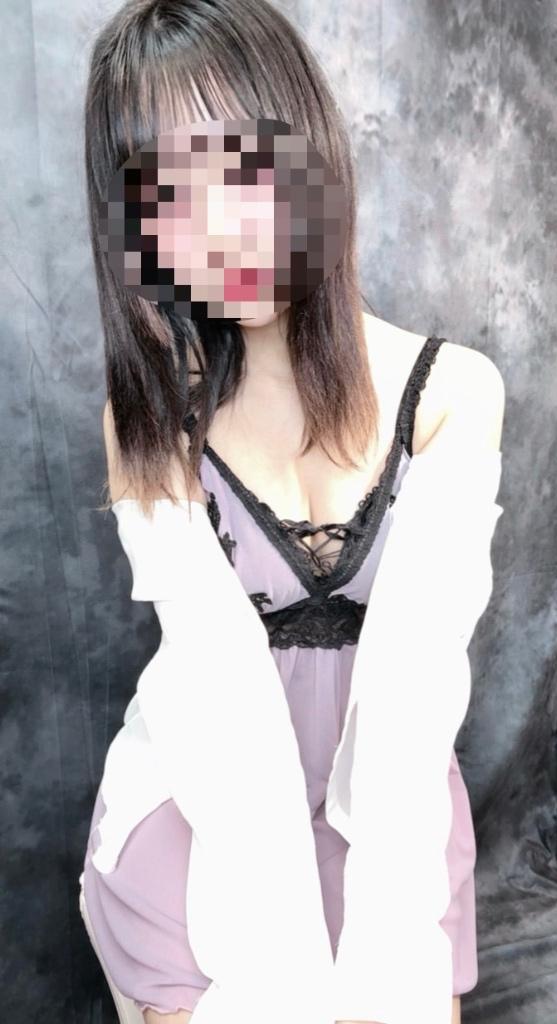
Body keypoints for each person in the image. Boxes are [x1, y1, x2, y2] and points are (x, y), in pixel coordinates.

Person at [80, 2, 506, 1023]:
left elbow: (410, 710)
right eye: (166, 196)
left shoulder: (454, 392)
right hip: (204, 802)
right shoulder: (150, 422)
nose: (213, 229)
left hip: (389, 803)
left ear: (304, 144)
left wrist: (382, 975)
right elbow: (218, 706)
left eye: (237, 168)